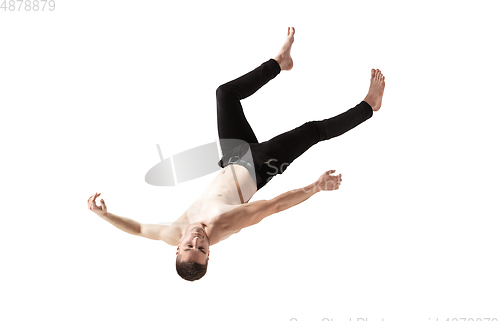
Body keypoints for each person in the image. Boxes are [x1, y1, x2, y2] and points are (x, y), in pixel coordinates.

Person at [87, 27, 386, 281]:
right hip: (261, 165)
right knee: (312, 130)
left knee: (224, 94)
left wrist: (104, 215)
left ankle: (279, 62)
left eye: (190, 247)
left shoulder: (173, 233)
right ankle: (369, 107)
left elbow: (138, 228)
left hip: (232, 157)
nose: (197, 241)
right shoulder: (227, 224)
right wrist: (316, 187)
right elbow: (276, 206)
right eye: (203, 250)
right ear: (209, 253)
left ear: (177, 248)